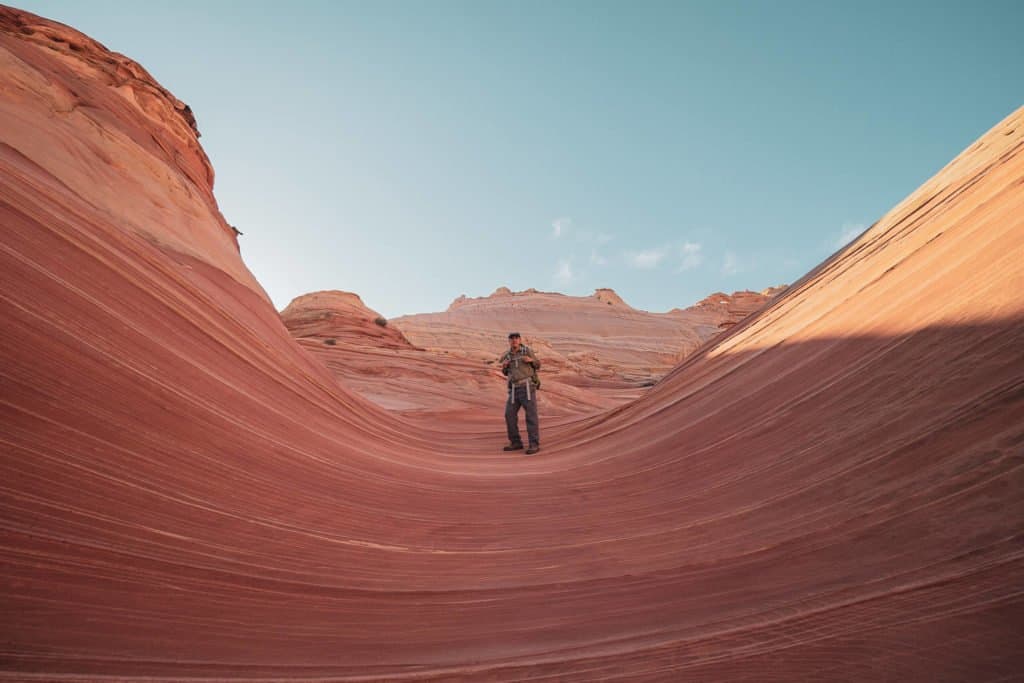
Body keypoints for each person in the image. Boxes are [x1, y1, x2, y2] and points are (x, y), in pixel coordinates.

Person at [500, 332, 541, 455]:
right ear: (509, 341)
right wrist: (505, 367)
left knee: (531, 416)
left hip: (527, 387)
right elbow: (506, 373)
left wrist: (531, 360)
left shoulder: (527, 351)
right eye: (512, 339)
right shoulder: (507, 355)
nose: (514, 341)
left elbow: (538, 365)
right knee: (509, 415)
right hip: (514, 389)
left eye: (516, 338)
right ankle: (516, 442)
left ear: (520, 340)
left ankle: (534, 444)